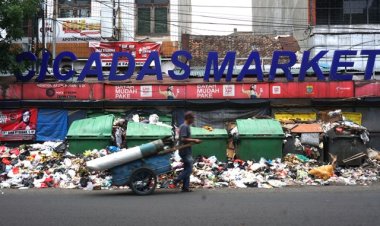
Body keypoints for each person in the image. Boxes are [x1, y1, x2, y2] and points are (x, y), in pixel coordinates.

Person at [171, 112, 201, 192]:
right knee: (189, 169)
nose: (193, 120)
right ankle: (177, 180)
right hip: (184, 151)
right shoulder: (184, 126)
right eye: (192, 118)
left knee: (187, 168)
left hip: (186, 150)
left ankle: (185, 187)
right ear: (188, 118)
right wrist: (194, 140)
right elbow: (183, 139)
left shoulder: (186, 126)